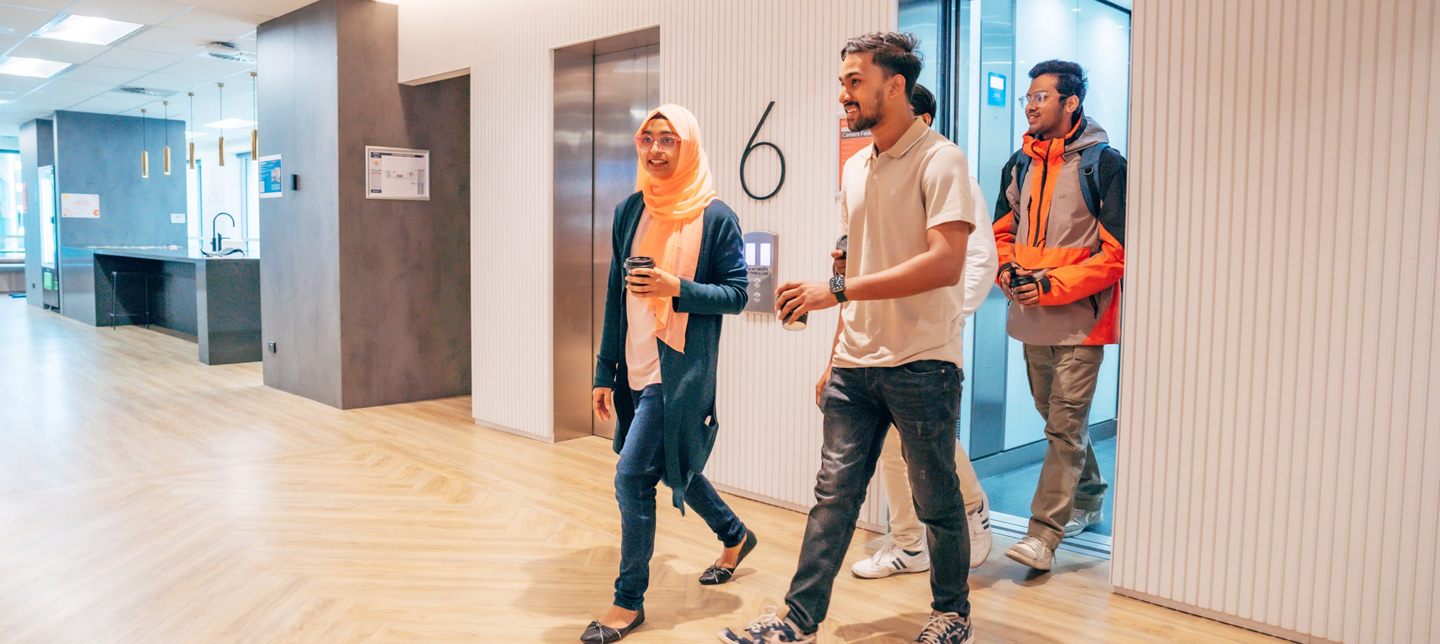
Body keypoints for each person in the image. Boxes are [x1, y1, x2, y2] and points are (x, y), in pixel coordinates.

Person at [721, 33, 977, 644]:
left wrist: (836, 293)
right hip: (854, 365)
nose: (844, 93)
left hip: (923, 364)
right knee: (832, 500)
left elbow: (945, 263)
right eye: (843, 81)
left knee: (935, 498)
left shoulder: (942, 160)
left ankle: (951, 614)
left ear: (896, 86)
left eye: (855, 80)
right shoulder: (856, 164)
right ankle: (797, 620)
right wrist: (835, 351)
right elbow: (848, 265)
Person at [585, 104, 758, 643]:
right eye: (647, 140)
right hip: (635, 365)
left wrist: (675, 288)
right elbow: (616, 295)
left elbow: (738, 295)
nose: (656, 151)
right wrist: (603, 369)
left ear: (689, 147)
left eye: (668, 141)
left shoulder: (716, 217)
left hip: (678, 373)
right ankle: (735, 535)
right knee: (669, 463)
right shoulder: (629, 211)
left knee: (632, 476)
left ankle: (627, 602)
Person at [845, 83, 999, 579]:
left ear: (919, 116)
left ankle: (970, 505)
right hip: (877, 334)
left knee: (923, 440)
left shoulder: (946, 168)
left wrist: (951, 314)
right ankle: (909, 544)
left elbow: (978, 260)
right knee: (891, 445)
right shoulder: (864, 172)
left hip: (927, 334)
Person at [994, 60, 1127, 572]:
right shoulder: (1020, 163)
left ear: (1071, 103)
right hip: (1030, 319)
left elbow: (1116, 254)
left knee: (1064, 426)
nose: (1030, 105)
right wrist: (1010, 275)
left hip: (1080, 321)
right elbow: (1001, 234)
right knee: (1056, 419)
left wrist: (1049, 284)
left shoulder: (1104, 165)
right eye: (1029, 97)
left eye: (1041, 97)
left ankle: (1043, 536)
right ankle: (1090, 493)